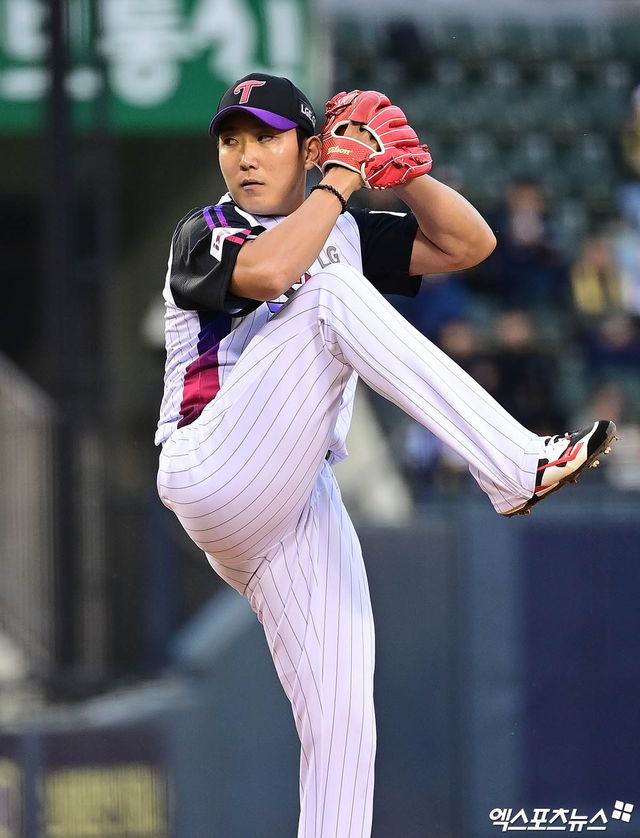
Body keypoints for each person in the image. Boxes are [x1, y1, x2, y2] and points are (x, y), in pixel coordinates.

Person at [155, 73, 616, 838]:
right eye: (231, 139)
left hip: (296, 496)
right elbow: (271, 272)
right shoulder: (205, 230)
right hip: (214, 464)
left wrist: (406, 174)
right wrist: (342, 179)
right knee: (330, 293)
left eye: (265, 137)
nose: (245, 154)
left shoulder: (342, 230)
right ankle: (514, 463)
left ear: (308, 149)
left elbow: (470, 245)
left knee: (343, 722)